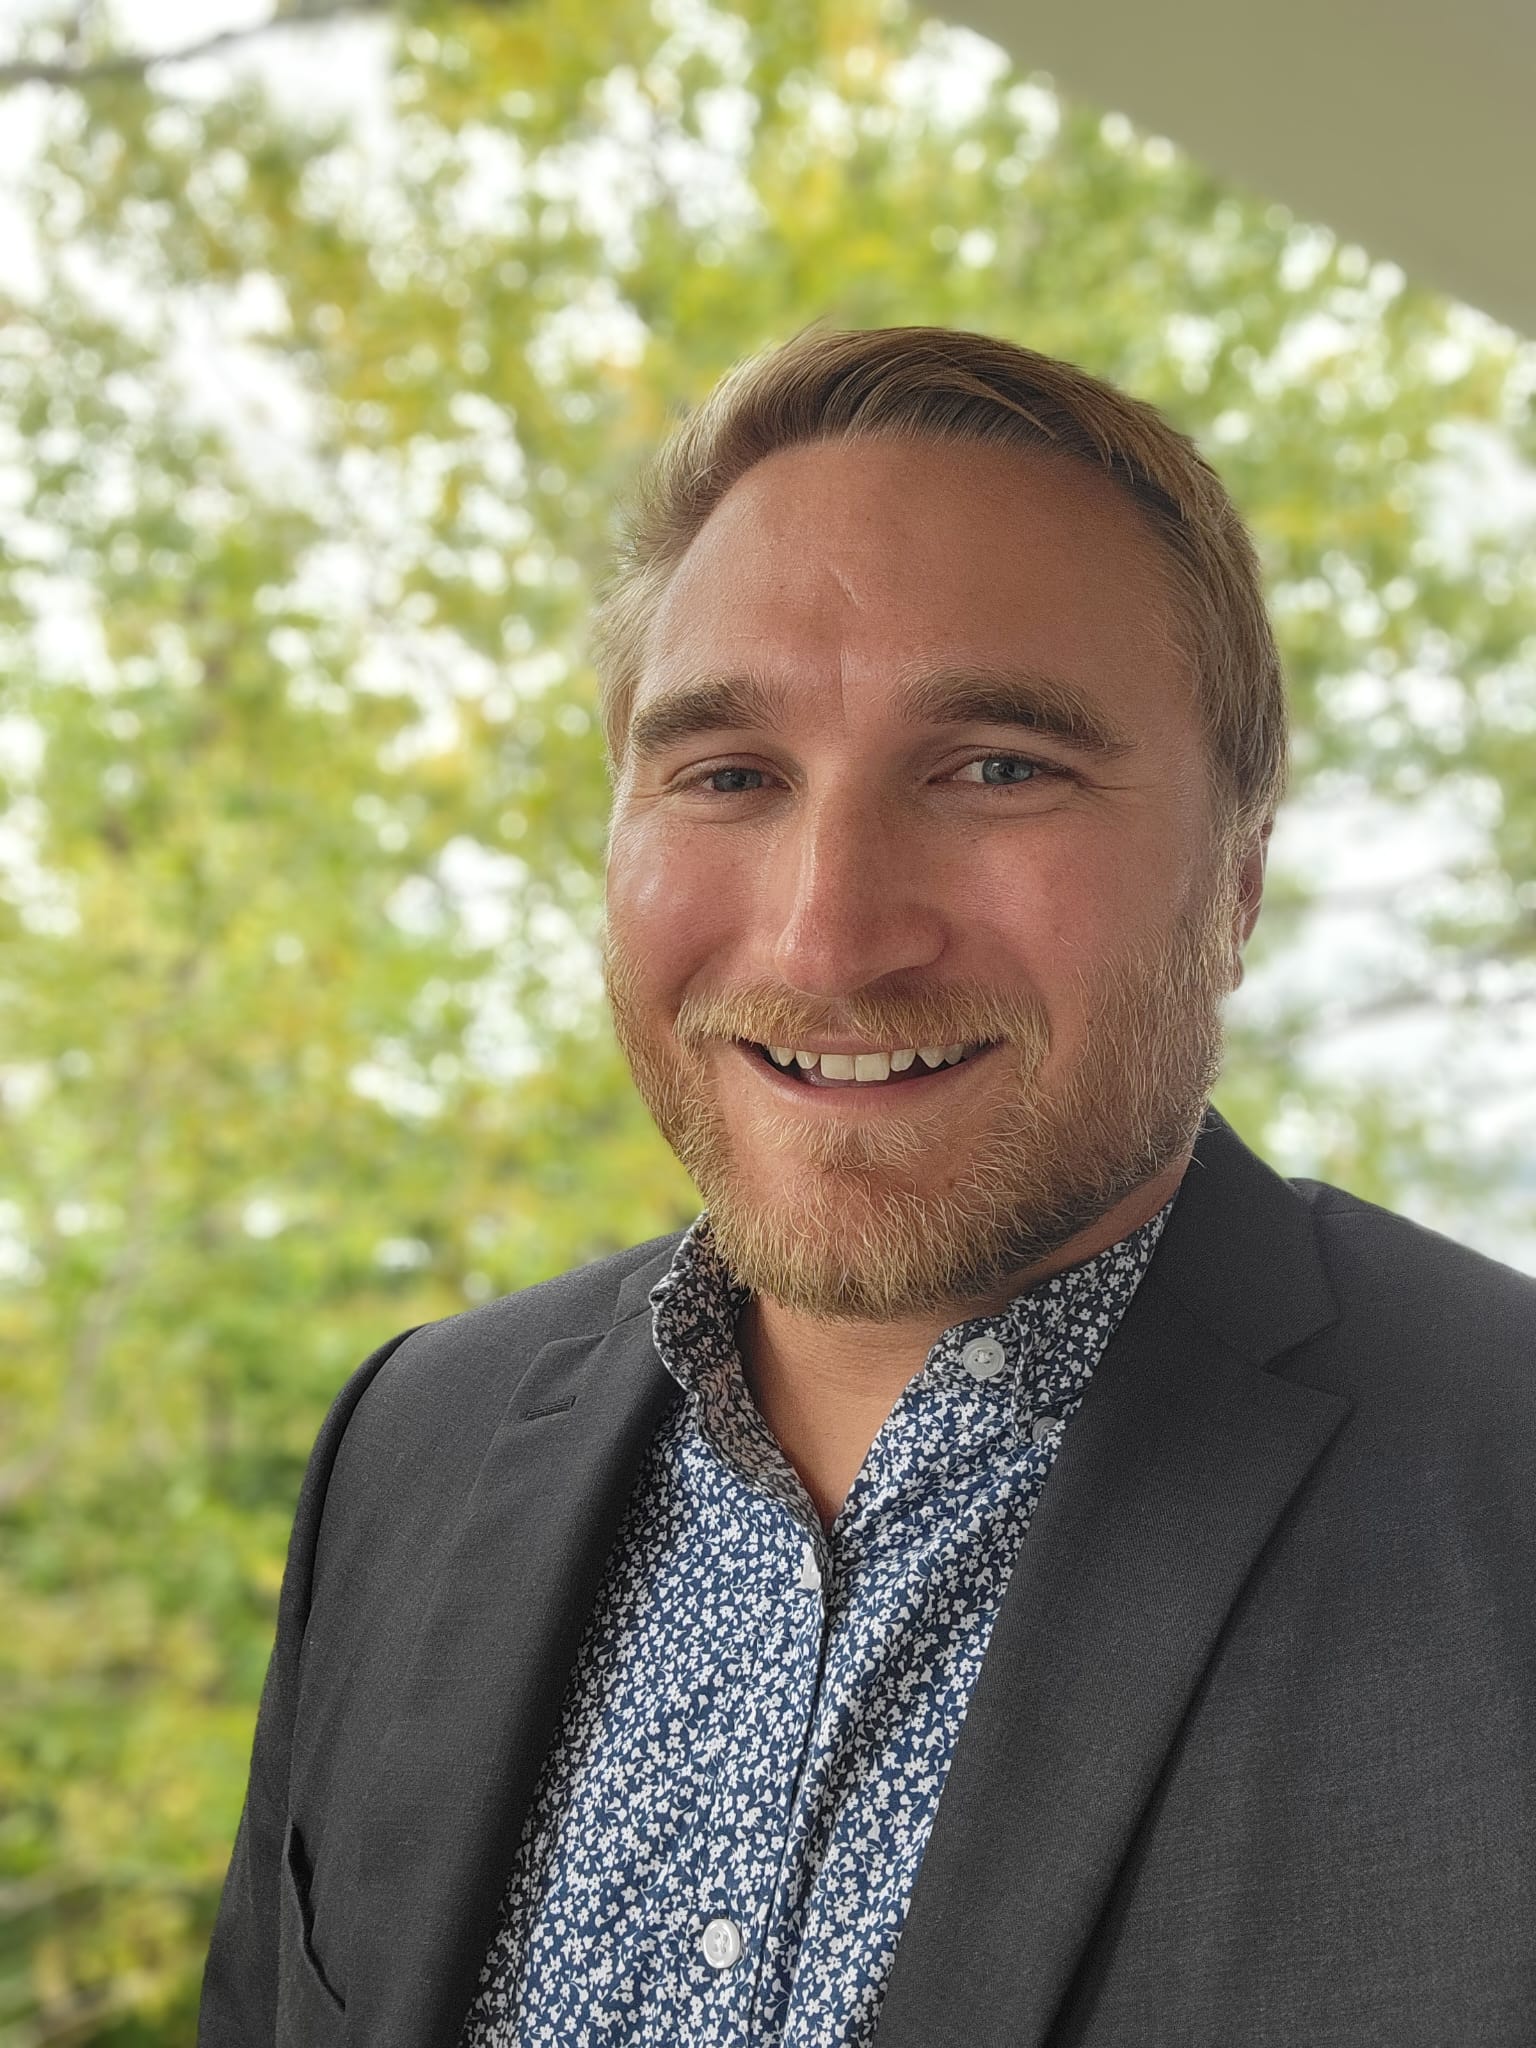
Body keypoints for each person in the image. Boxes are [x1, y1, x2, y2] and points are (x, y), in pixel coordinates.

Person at [199, 326, 1536, 2048]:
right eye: (728, 776)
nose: (829, 939)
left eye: (999, 768)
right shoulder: (407, 1449)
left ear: (1240, 878)